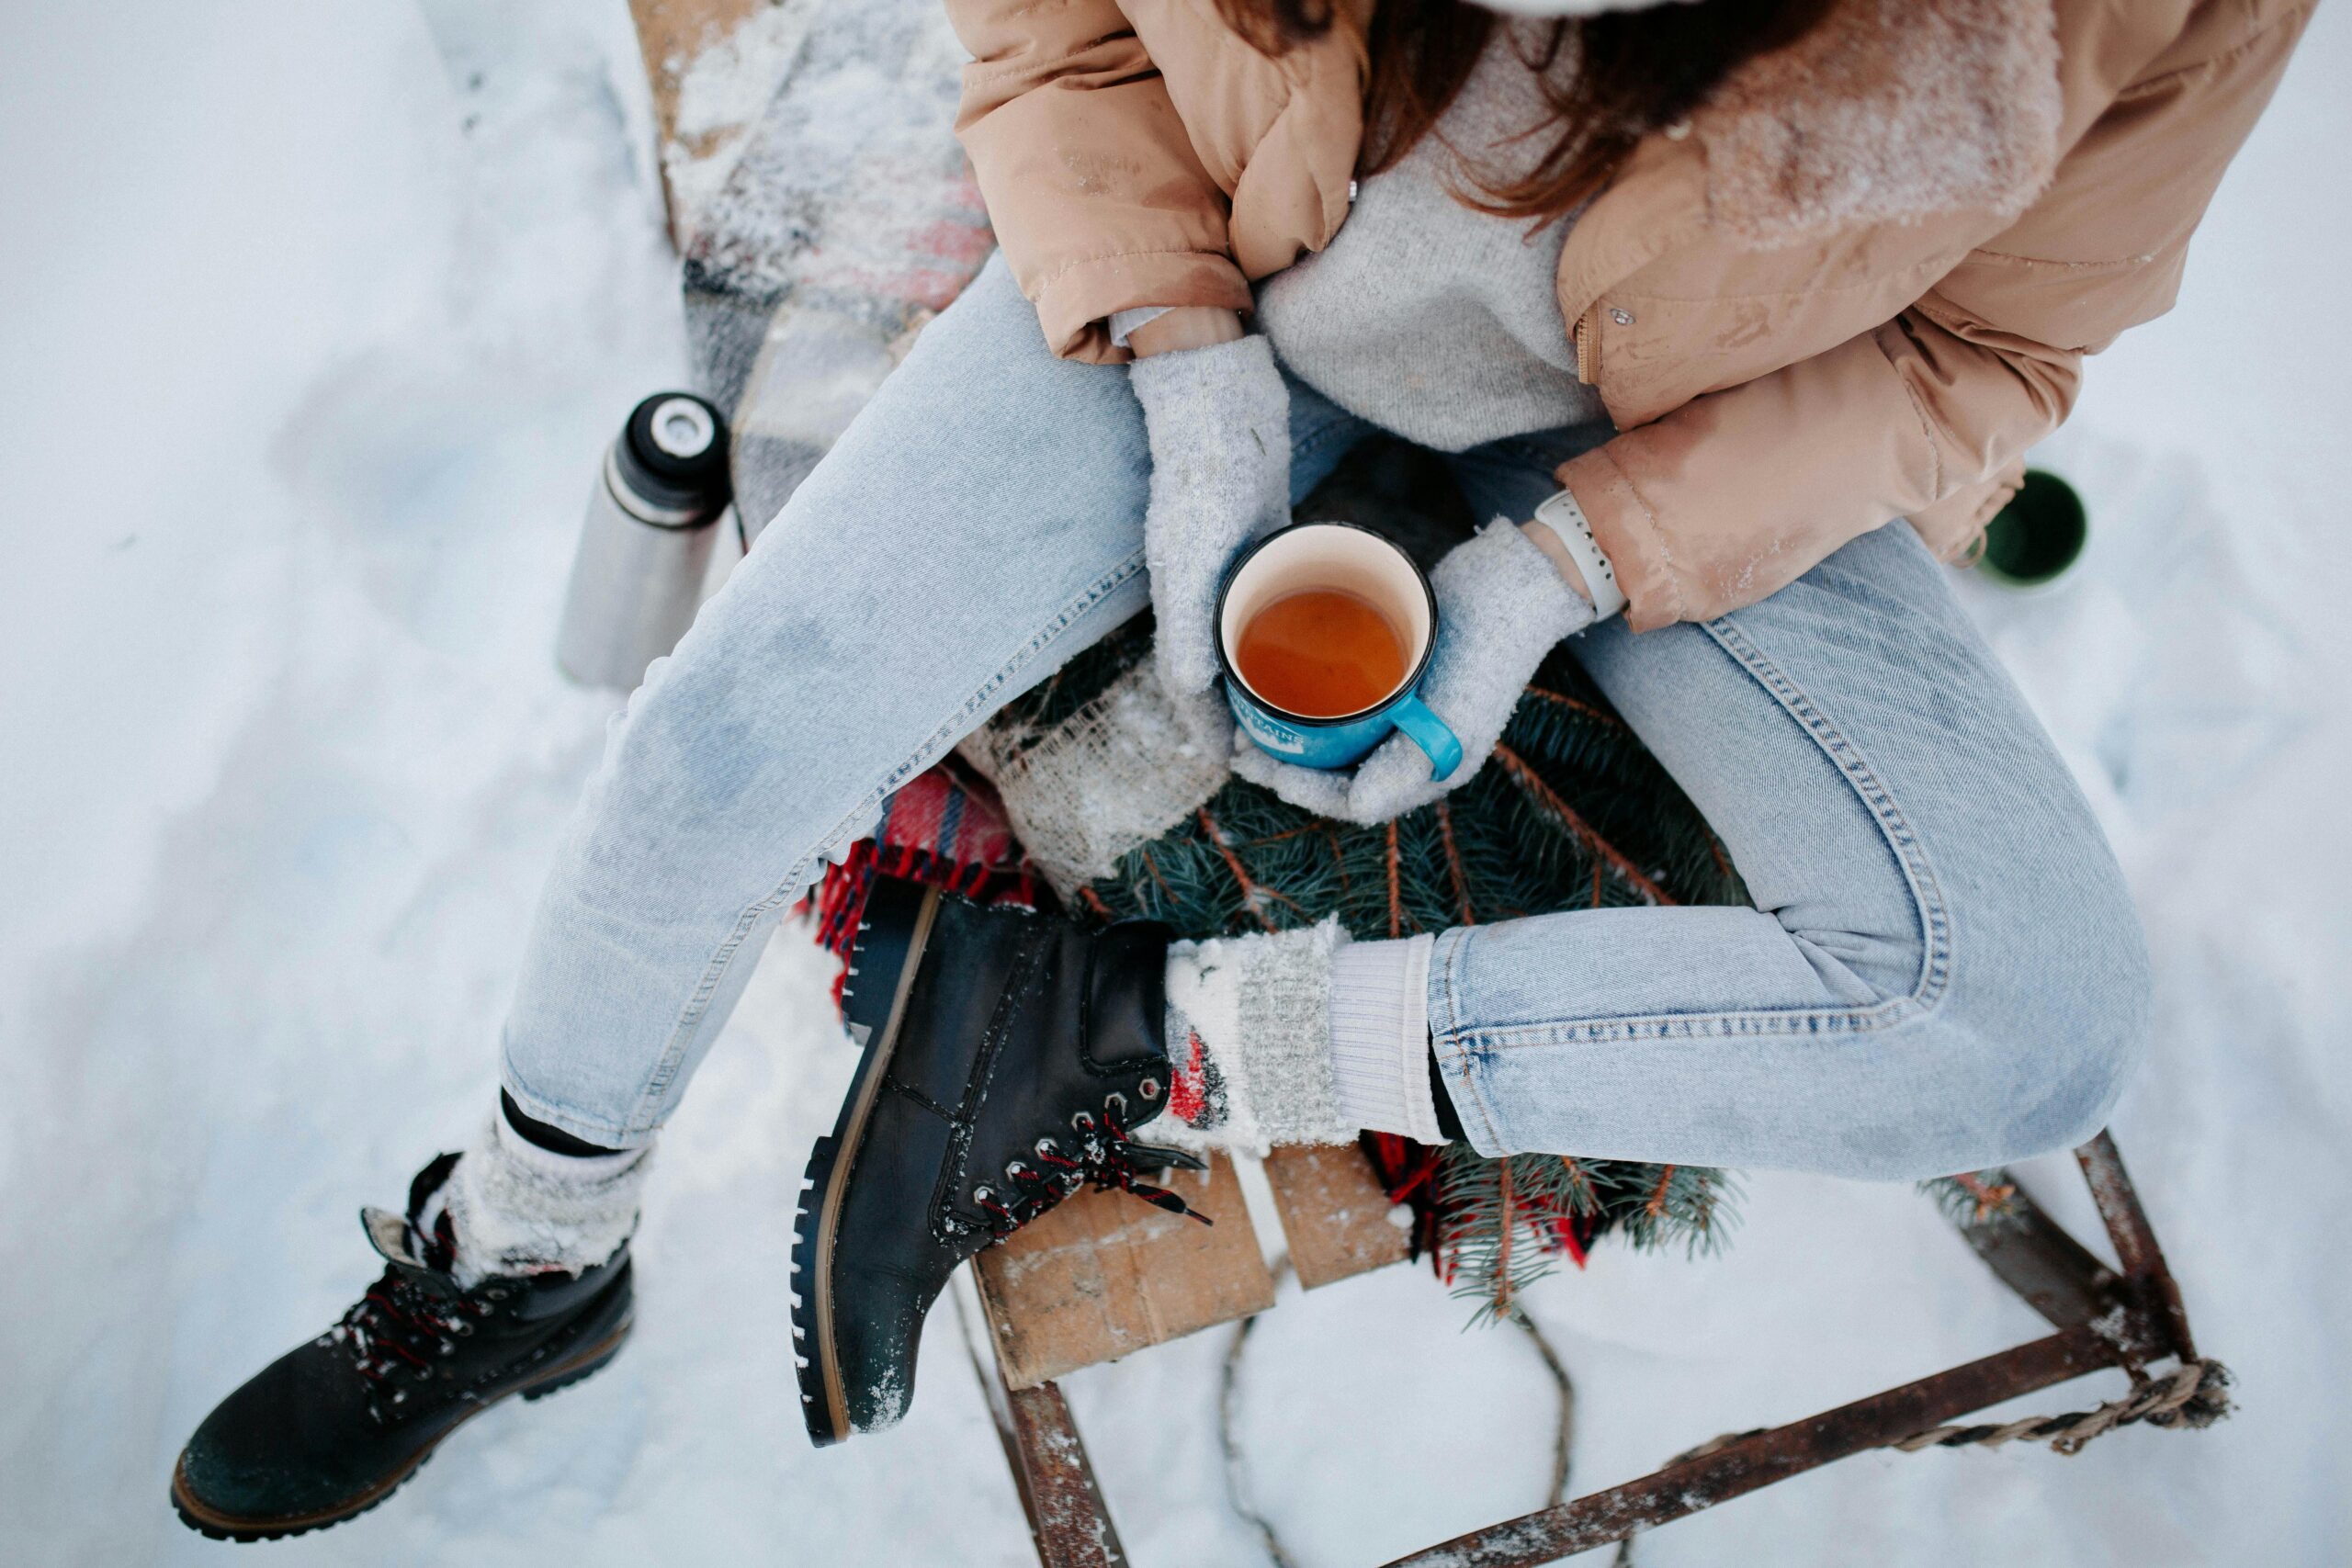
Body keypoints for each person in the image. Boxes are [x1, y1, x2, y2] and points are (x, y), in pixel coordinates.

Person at [173, 0, 2311, 1538]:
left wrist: (1563, 569)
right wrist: (1186, 385)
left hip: (1678, 418)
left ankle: (1126, 1029)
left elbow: (1978, 350)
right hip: (1228, 281)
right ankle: (528, 1253)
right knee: (715, 739)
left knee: (2024, 1017)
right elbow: (1055, 32)